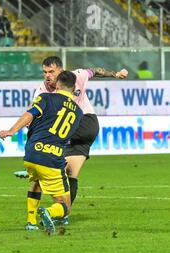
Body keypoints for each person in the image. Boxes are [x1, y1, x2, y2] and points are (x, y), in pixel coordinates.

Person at [14, 56, 128, 229]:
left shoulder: (76, 76)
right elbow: (32, 113)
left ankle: (37, 164)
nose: (47, 76)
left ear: (61, 71)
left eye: (51, 72)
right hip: (69, 132)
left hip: (85, 122)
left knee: (50, 134)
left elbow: (95, 71)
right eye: (44, 72)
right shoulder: (41, 91)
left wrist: (116, 74)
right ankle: (62, 214)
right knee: (70, 175)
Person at [0, 71, 83, 234]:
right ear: (73, 88)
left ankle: (31, 222)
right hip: (52, 159)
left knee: (36, 181)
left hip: (31, 154)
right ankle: (49, 213)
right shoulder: (78, 113)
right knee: (65, 207)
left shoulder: (46, 97)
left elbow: (30, 114)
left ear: (57, 85)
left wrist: (12, 131)